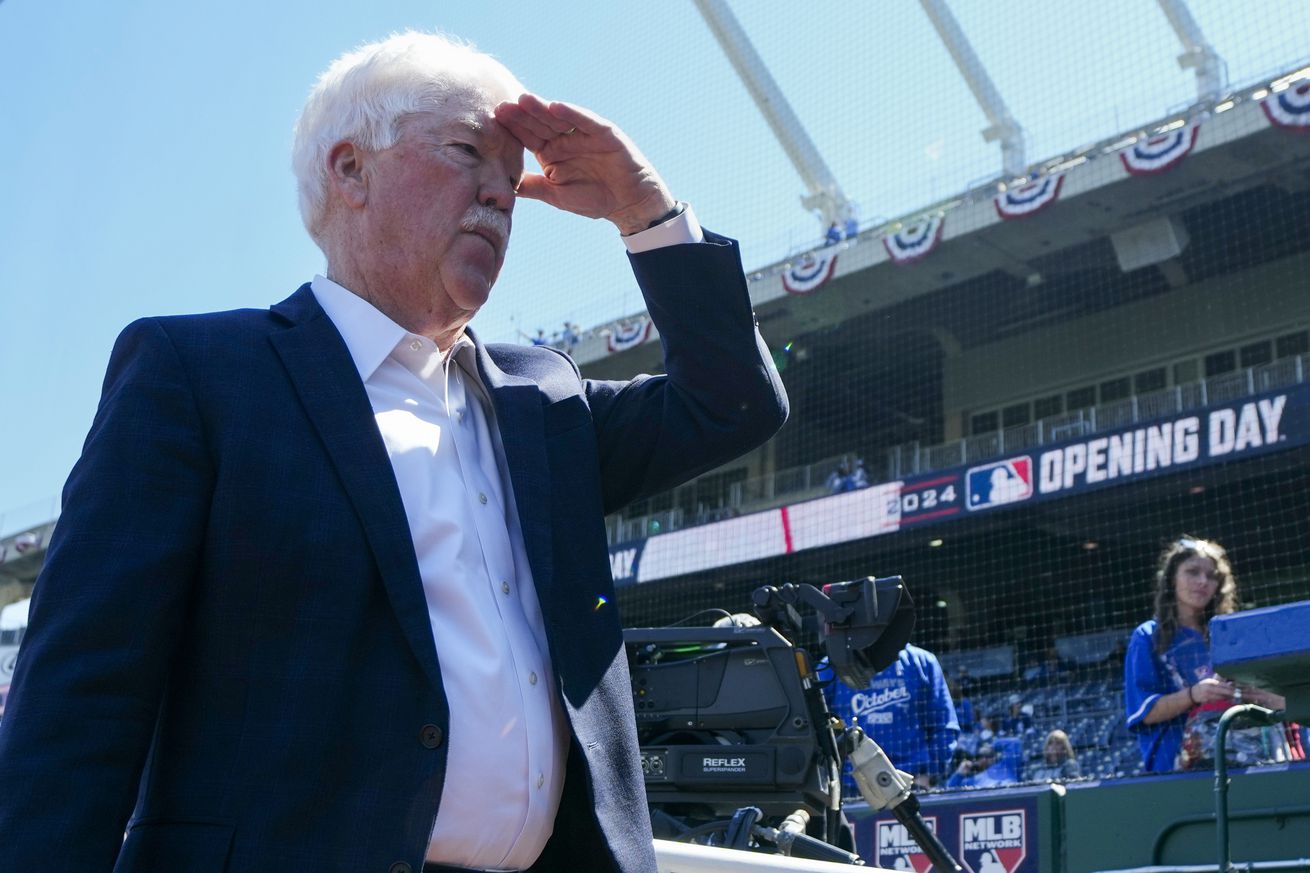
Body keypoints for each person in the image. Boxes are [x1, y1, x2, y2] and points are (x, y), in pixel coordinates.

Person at [0, 32, 788, 873]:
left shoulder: (544, 399)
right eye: (466, 153)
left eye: (512, 173)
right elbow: (79, 704)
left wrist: (647, 214)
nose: (501, 192)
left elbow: (732, 403)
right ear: (350, 170)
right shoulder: (199, 378)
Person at [1124, 537, 1285, 772]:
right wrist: (1194, 694)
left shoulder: (1232, 634)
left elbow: (1280, 702)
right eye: (1192, 572)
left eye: (1211, 576)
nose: (1203, 582)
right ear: (1171, 578)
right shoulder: (1148, 636)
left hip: (1248, 759)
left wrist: (1261, 695)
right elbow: (1143, 713)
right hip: (1180, 771)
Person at [823, 643, 959, 790]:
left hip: (912, 783)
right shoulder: (831, 666)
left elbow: (945, 727)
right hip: (852, 785)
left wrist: (930, 774)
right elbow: (818, 728)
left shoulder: (923, 661)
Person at [945, 737, 1022, 789]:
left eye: (987, 755)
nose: (984, 759)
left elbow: (1015, 743)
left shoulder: (1007, 766)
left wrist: (991, 746)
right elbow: (948, 793)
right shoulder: (971, 781)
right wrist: (959, 774)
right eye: (979, 757)